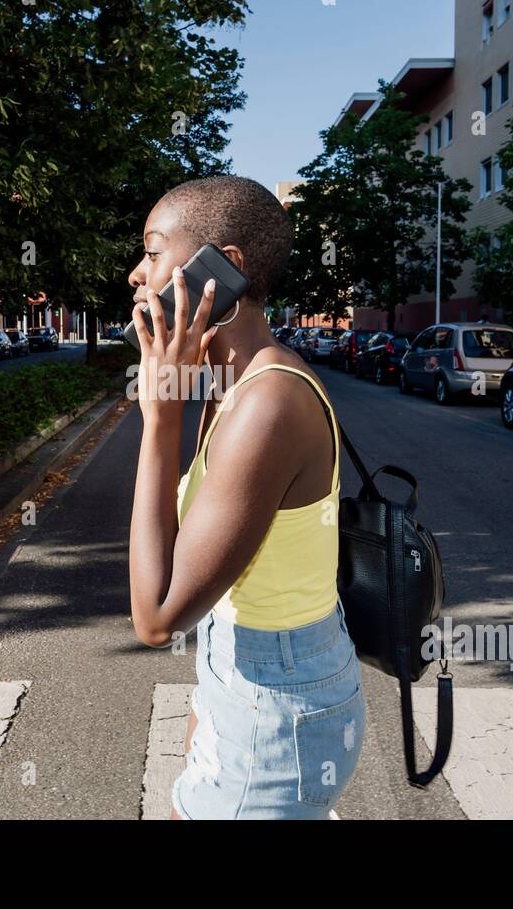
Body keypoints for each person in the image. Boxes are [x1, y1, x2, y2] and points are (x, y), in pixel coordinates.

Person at [126, 175, 365, 819]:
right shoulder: (230, 384)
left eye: (152, 252)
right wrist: (206, 713)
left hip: (277, 708)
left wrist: (159, 417)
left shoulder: (268, 404)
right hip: (239, 677)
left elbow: (155, 617)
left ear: (222, 269)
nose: (135, 275)